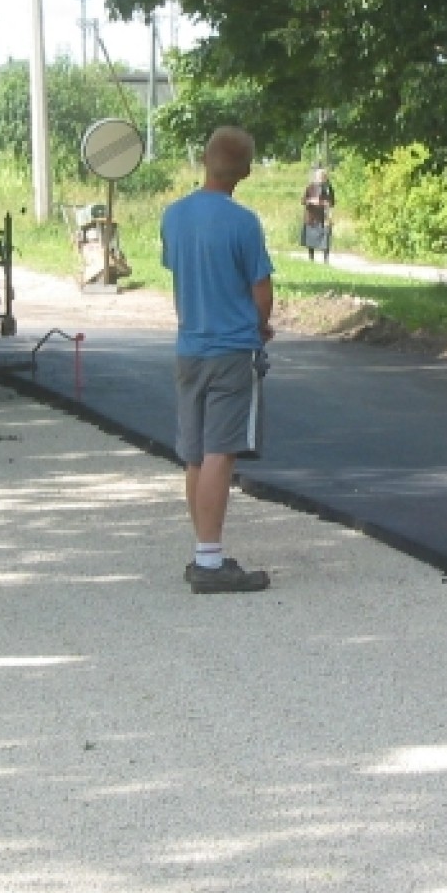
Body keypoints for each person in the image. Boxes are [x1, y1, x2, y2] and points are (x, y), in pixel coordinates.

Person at [160, 126, 276, 593]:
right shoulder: (243, 223)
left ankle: (202, 549)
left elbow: (178, 271)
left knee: (194, 454)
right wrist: (259, 325)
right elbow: (261, 290)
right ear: (245, 171)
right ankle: (210, 561)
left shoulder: (174, 216)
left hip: (189, 348)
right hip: (231, 351)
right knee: (219, 453)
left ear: (204, 160)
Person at [300, 166, 335, 261]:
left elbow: (332, 203)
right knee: (311, 238)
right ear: (316, 177)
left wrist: (328, 208)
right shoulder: (310, 187)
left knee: (326, 237)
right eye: (319, 176)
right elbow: (303, 200)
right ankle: (311, 258)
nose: (321, 178)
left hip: (324, 217)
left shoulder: (328, 188)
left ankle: (326, 259)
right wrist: (311, 201)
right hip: (311, 217)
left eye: (323, 176)